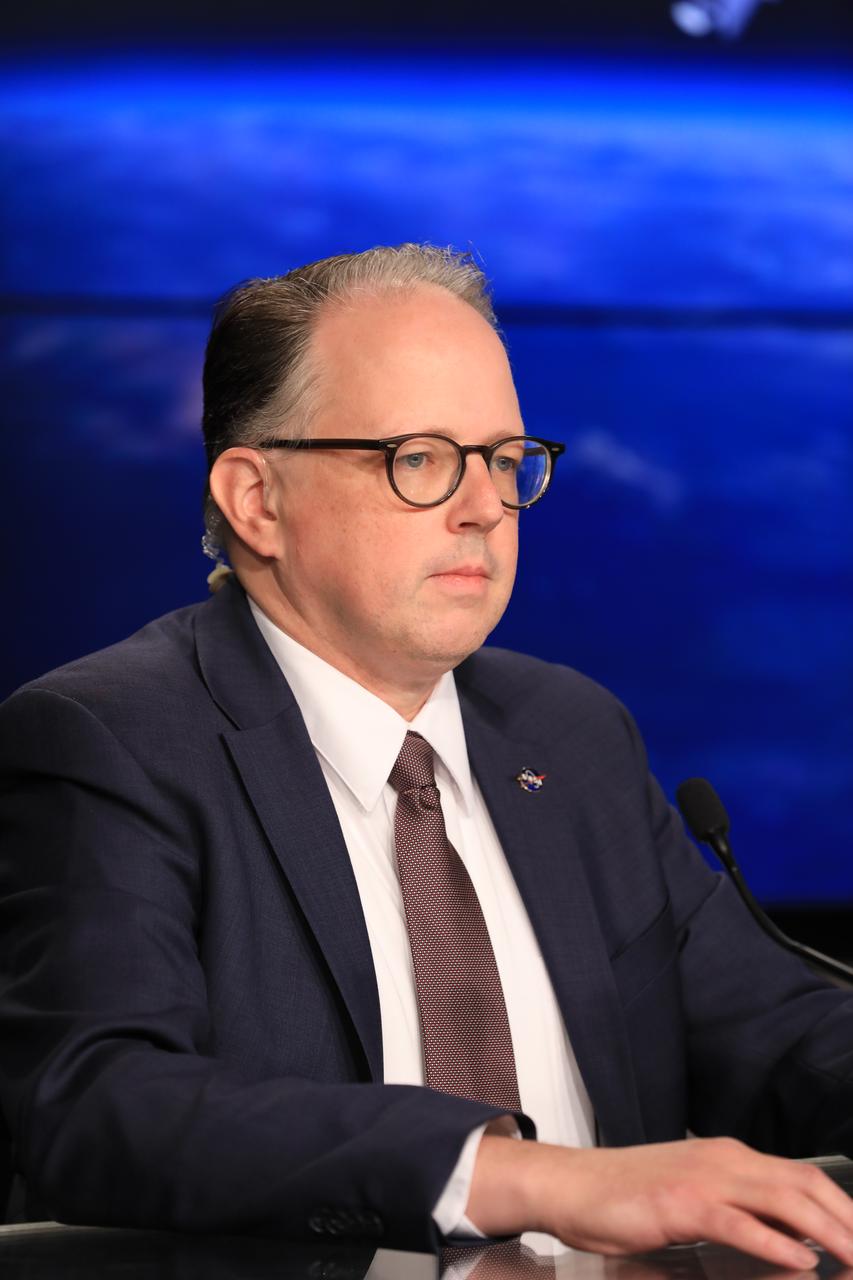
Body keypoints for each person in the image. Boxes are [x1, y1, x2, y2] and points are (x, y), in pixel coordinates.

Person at [0, 244, 851, 1269]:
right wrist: (536, 1179)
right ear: (257, 499)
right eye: (420, 457)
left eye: (501, 458)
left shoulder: (569, 732)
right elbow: (98, 1103)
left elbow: (781, 1029)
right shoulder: (113, 739)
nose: (484, 505)